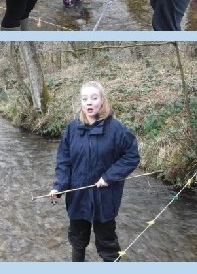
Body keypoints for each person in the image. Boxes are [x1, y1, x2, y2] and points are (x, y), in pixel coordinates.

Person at [49, 81, 140, 262]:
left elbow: (131, 156)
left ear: (102, 101)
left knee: (108, 245)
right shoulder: (72, 129)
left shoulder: (116, 129)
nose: (89, 102)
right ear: (81, 102)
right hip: (78, 197)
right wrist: (59, 186)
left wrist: (109, 177)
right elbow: (63, 161)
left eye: (94, 98)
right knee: (77, 241)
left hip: (105, 197)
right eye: (85, 99)